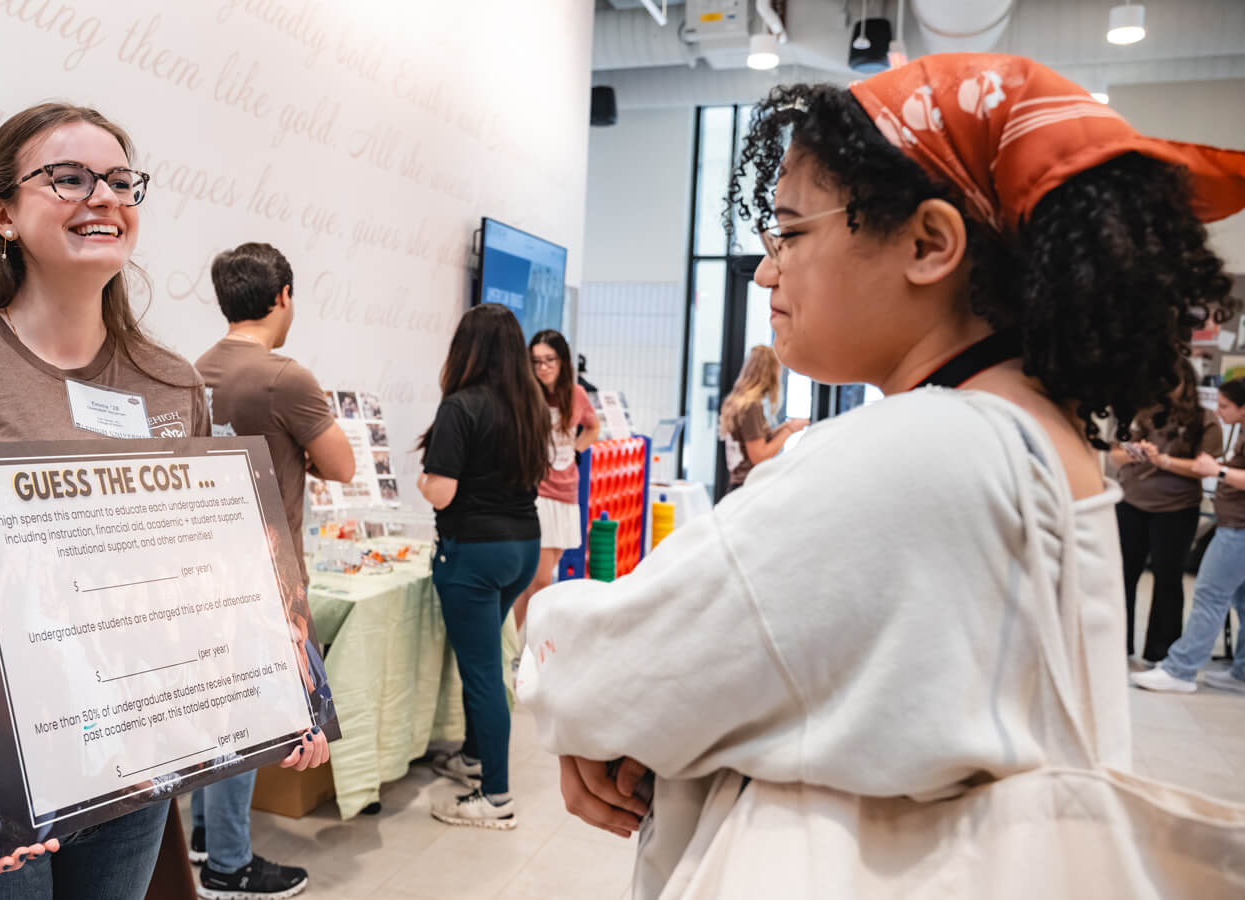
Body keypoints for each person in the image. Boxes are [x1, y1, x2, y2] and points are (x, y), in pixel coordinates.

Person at [518, 55, 1245, 898]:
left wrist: (574, 686)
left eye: (791, 232)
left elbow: (611, 664)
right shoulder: (1030, 435)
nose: (765, 269)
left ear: (930, 244)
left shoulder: (930, 447)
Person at [0, 103, 325, 899]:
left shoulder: (171, 381)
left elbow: (207, 576)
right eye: (68, 177)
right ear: (1, 212)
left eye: (122, 180)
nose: (103, 196)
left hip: (131, 777)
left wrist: (283, 669)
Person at [191, 242, 353, 898]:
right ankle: (229, 865)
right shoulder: (286, 377)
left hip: (206, 566)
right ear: (282, 296)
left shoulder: (191, 371)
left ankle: (204, 836)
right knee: (250, 713)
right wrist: (305, 459)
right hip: (268, 568)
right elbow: (341, 465)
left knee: (214, 704)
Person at [418, 303, 551, 829]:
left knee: (482, 672)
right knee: (484, 661)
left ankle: (495, 796)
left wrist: (423, 483)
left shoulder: (461, 406)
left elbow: (443, 492)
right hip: (522, 546)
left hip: (474, 552)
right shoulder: (531, 406)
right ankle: (474, 756)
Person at [1132, 377, 1245, 694]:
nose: (1220, 412)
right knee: (1242, 602)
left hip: (1238, 530)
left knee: (1209, 596)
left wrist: (1218, 471)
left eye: (1225, 406)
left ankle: (1180, 670)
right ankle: (1242, 672)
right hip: (1234, 525)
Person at [1110, 360, 1222, 666]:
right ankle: (1115, 647)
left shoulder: (1203, 419)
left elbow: (1205, 468)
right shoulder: (1141, 411)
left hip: (1176, 508)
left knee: (1168, 579)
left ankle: (1161, 654)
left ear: (1184, 382)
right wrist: (1134, 453)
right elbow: (1115, 454)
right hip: (1131, 502)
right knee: (1123, 575)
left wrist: (1165, 463)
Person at [512, 329, 598, 633]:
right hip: (538, 493)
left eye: (549, 360)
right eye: (536, 361)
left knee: (542, 580)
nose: (543, 368)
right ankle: (515, 649)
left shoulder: (575, 394)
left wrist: (576, 449)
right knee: (538, 580)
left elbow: (592, 427)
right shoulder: (525, 395)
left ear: (562, 362)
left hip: (567, 492)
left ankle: (516, 648)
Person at [718, 345, 807, 493]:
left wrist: (783, 427)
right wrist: (789, 431)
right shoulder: (751, 407)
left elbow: (752, 441)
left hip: (738, 485)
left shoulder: (738, 402)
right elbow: (759, 456)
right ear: (770, 372)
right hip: (747, 486)